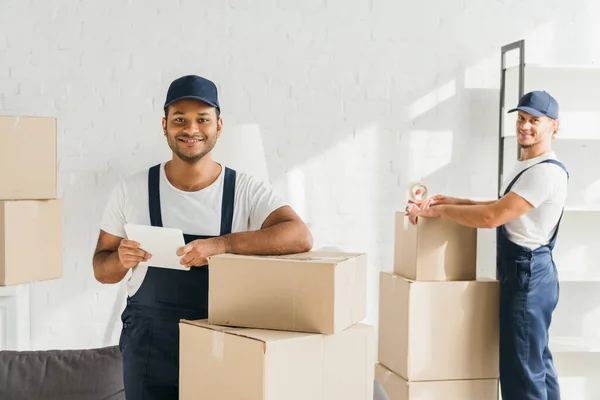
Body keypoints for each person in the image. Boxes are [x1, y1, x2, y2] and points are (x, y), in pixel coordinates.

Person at [92, 74, 313, 400]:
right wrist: (120, 260)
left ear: (219, 126)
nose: (191, 129)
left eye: (202, 120)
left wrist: (222, 245)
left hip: (223, 343)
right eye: (180, 119)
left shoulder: (244, 189)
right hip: (150, 347)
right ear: (165, 125)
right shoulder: (132, 190)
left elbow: (300, 236)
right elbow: (101, 268)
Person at [411, 90, 568, 400]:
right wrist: (456, 200)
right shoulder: (528, 164)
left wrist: (439, 211)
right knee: (537, 364)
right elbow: (503, 205)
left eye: (534, 121)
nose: (524, 126)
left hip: (527, 276)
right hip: (530, 272)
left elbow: (492, 216)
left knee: (522, 372)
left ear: (554, 127)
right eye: (521, 119)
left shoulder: (545, 173)